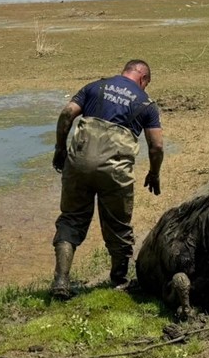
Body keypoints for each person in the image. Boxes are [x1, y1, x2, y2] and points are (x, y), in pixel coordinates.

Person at [50, 59, 164, 298]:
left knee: (71, 219)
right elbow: (156, 146)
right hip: (115, 171)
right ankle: (118, 280)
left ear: (125, 72)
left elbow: (66, 114)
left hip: (78, 164)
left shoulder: (95, 87)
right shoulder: (146, 103)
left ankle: (61, 280)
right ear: (143, 79)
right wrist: (154, 173)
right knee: (118, 226)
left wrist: (60, 149)